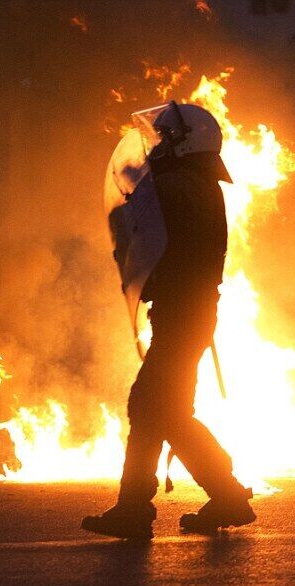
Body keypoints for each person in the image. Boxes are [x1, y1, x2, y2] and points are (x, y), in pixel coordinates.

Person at [83, 102, 255, 539]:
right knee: (167, 410)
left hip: (183, 313)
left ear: (185, 141)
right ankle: (225, 496)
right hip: (187, 312)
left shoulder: (180, 185)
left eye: (163, 137)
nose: (156, 144)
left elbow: (142, 210)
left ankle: (137, 508)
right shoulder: (196, 184)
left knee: (150, 405)